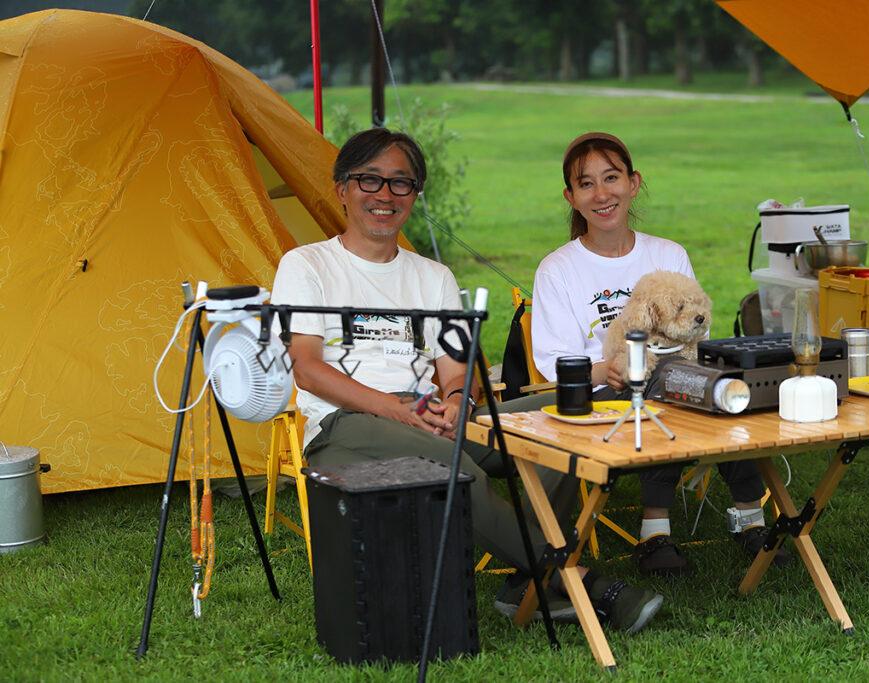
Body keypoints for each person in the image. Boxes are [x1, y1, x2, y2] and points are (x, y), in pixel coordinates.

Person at [271, 128, 664, 634]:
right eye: (369, 180)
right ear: (342, 188)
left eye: (400, 184)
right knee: (461, 470)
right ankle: (577, 579)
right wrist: (398, 409)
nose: (384, 196)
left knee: (569, 416)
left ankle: (528, 579)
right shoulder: (307, 265)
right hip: (347, 426)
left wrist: (456, 401)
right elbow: (306, 368)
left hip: (434, 418)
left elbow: (457, 370)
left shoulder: (431, 276)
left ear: (415, 194)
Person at [531, 131, 790, 576]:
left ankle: (750, 519)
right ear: (570, 197)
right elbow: (551, 360)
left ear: (634, 183)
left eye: (611, 178)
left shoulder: (667, 254)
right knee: (658, 392)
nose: (602, 193)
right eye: (586, 183)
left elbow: (695, 325)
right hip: (603, 393)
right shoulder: (559, 268)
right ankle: (654, 535)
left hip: (681, 376)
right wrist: (603, 368)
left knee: (727, 390)